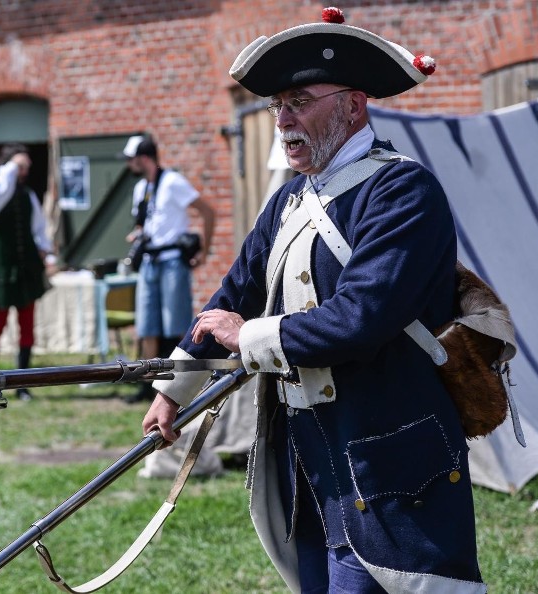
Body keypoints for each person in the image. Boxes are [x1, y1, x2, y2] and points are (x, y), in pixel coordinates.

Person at [141, 8, 486, 593]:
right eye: (278, 106)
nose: (283, 120)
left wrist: (246, 337)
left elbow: (360, 319)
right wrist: (174, 392)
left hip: (388, 453)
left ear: (353, 105)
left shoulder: (402, 190)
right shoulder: (288, 203)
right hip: (308, 463)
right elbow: (231, 295)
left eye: (299, 101)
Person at [122, 134, 215, 403]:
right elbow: (144, 222)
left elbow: (207, 211)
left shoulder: (173, 182)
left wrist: (204, 251)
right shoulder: (142, 188)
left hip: (173, 259)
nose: (129, 165)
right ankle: (148, 385)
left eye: (131, 159)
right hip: (150, 261)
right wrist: (137, 234)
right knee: (147, 326)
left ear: (144, 158)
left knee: (176, 324)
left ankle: (181, 383)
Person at [0, 143, 53, 400]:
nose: (23, 172)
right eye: (20, 166)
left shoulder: (28, 195)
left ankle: (22, 384)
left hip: (26, 268)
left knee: (27, 327)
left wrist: (44, 250)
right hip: (1, 267)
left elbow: (39, 229)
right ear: (7, 166)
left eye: (26, 167)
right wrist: (8, 170)